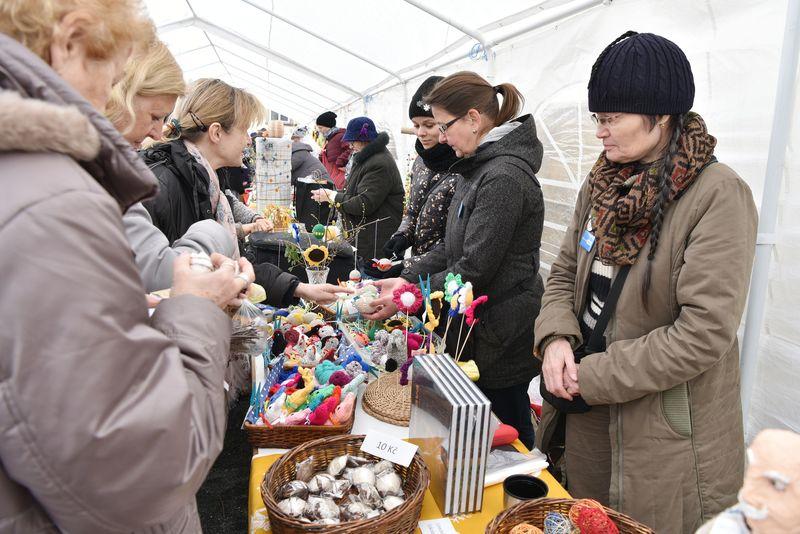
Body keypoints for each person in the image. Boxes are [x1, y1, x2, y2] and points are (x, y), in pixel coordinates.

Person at [0, 2, 256, 531]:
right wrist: (195, 307)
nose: (149, 132)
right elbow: (143, 466)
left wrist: (130, 309)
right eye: (113, 75)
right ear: (70, 40)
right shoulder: (51, 200)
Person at [533, 32, 757, 533]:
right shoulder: (603, 181)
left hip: (662, 435)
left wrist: (590, 377)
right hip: (584, 406)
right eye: (598, 119)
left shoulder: (717, 196)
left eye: (611, 119)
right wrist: (555, 339)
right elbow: (565, 271)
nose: (600, 133)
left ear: (662, 114)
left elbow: (703, 333)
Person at [364, 72, 545, 449]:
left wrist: (409, 295)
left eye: (445, 126)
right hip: (479, 330)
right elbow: (451, 247)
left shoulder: (502, 178)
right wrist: (406, 280)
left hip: (501, 335)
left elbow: (474, 268)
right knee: (480, 428)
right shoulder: (476, 167)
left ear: (474, 120)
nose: (441, 137)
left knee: (507, 430)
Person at [142, 78, 342, 305]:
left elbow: (232, 266)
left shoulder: (208, 184)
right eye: (244, 130)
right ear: (216, 133)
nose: (248, 140)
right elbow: (152, 283)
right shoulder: (161, 185)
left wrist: (299, 288)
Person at [106, 39, 237, 292]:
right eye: (155, 117)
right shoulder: (150, 179)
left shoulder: (202, 180)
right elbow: (161, 276)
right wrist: (214, 231)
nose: (157, 133)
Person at [365, 75, 459, 279]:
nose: (421, 133)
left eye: (429, 124)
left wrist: (407, 266)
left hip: (449, 272)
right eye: (416, 126)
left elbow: (455, 240)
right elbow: (412, 211)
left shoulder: (462, 166)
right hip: (419, 266)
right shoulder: (420, 162)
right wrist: (402, 236)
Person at [311, 117, 405, 264]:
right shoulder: (366, 158)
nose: (350, 145)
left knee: (371, 283)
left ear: (363, 140)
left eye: (353, 141)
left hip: (376, 243)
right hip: (367, 239)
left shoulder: (379, 163)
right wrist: (334, 194)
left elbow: (363, 204)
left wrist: (333, 196)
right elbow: (353, 190)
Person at [291, 125, 333, 231]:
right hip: (317, 183)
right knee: (314, 216)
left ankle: (314, 239)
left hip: (319, 184)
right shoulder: (301, 152)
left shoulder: (298, 153)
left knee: (315, 218)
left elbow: (286, 173)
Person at [315, 110, 351, 189]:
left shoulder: (340, 135)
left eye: (321, 128)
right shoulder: (329, 138)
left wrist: (340, 161)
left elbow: (350, 148)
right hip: (332, 173)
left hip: (340, 173)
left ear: (328, 126)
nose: (319, 130)